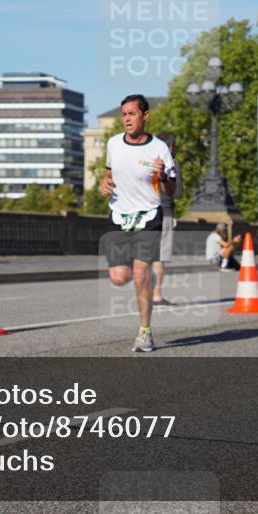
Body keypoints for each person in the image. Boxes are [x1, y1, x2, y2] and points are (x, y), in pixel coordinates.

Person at [101, 94, 177, 353]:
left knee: (140, 274)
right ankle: (145, 282)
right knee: (119, 278)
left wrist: (164, 176)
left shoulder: (159, 149)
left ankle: (145, 332)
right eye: (124, 114)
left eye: (132, 114)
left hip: (148, 216)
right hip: (119, 216)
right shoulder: (113, 144)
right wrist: (105, 184)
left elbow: (173, 190)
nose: (127, 119)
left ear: (145, 115)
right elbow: (109, 174)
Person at [152, 132, 183, 305]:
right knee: (160, 256)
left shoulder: (146, 162)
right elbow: (177, 193)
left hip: (144, 211)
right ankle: (156, 295)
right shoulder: (172, 165)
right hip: (165, 211)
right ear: (170, 147)